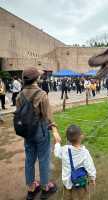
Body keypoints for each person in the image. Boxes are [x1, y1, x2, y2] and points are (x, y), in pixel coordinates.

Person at [16, 67, 60, 200]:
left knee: (29, 159)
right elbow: (48, 116)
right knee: (44, 159)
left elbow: (19, 115)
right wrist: (55, 130)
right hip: (40, 130)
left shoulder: (20, 95)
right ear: (36, 78)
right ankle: (46, 187)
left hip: (27, 132)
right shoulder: (42, 94)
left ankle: (31, 188)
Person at [54, 124, 96, 200]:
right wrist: (93, 177)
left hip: (67, 183)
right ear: (81, 136)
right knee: (82, 196)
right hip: (80, 183)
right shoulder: (84, 152)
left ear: (67, 138)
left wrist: (57, 142)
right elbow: (90, 166)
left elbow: (57, 153)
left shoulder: (64, 150)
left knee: (67, 196)